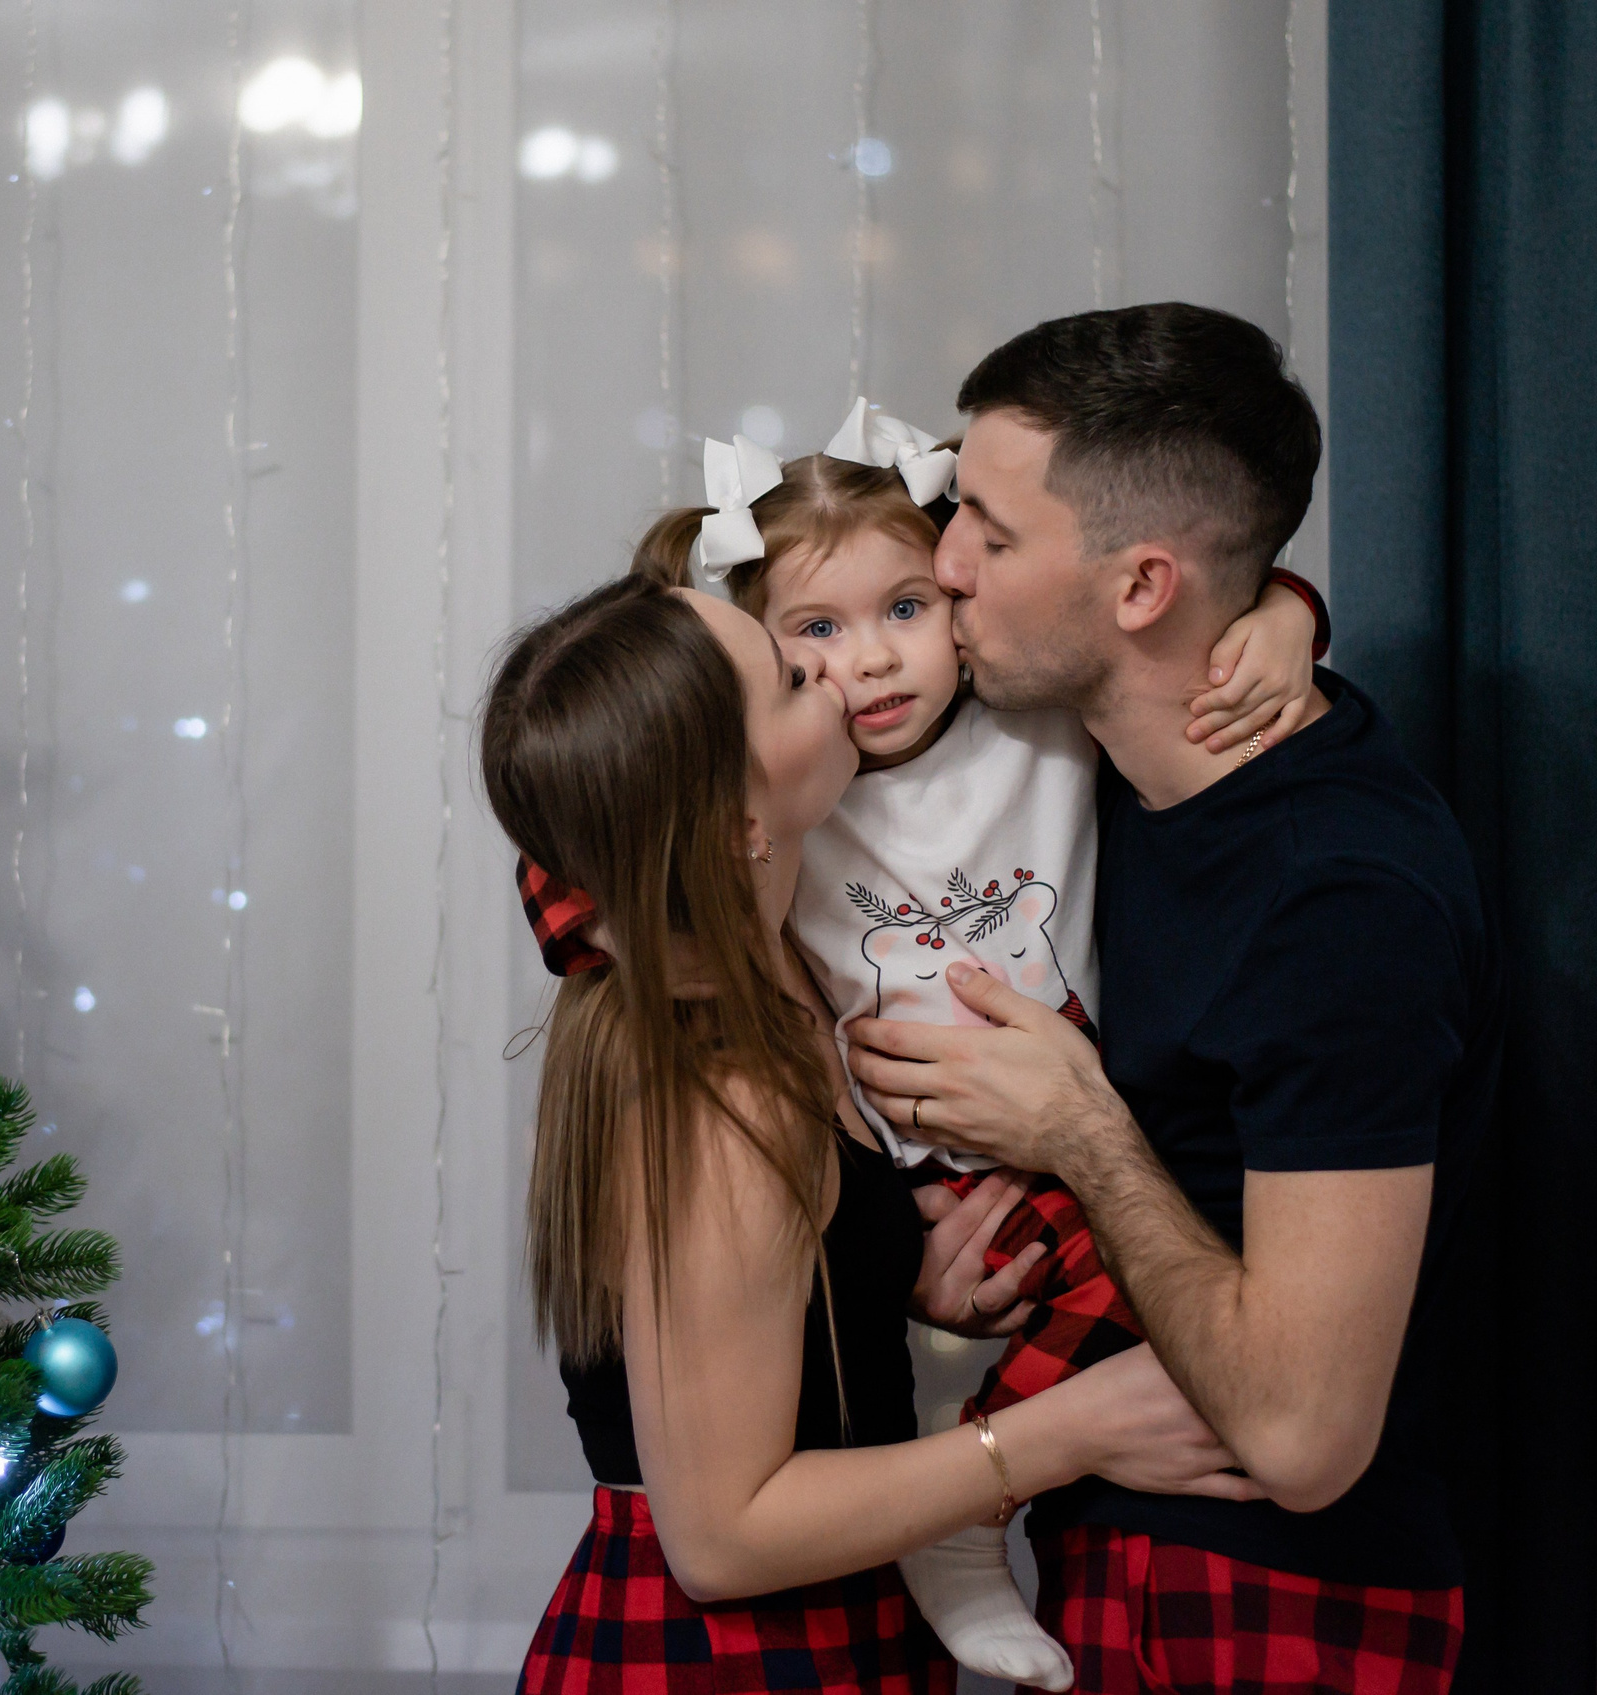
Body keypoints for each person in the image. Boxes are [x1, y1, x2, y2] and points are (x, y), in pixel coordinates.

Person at [515, 402, 1329, 1689]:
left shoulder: (766, 943)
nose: (846, 676)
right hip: (722, 1655)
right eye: (795, 668)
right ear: (733, 817)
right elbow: (720, 1540)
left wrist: (1280, 608)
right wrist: (1063, 1435)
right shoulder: (708, 1090)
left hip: (844, 1622)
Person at [847, 302, 1496, 1695]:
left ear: (1142, 588)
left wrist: (1079, 1128)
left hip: (1277, 1596)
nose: (944, 563)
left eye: (993, 535)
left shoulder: (1343, 898)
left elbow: (1305, 1435)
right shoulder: (1077, 758)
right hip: (1109, 1556)